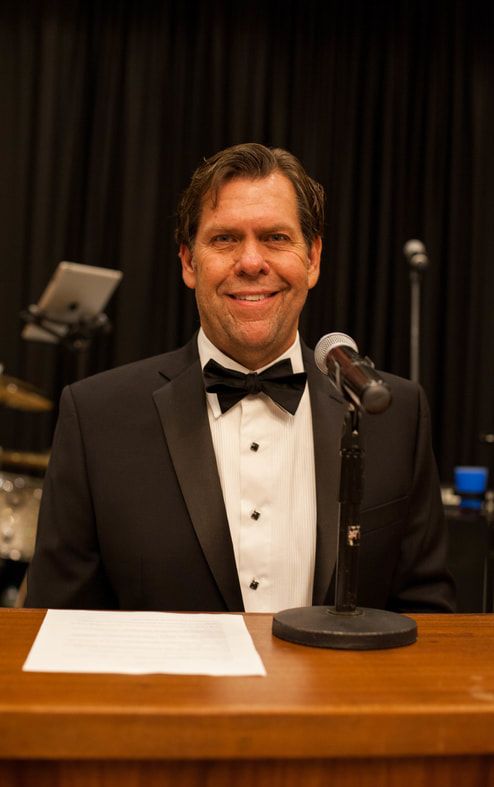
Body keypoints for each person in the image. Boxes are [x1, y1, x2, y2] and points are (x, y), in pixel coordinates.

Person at [25, 143, 455, 613]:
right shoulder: (96, 418)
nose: (251, 262)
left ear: (312, 259)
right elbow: (57, 626)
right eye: (225, 239)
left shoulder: (394, 412)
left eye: (275, 237)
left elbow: (429, 617)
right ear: (189, 262)